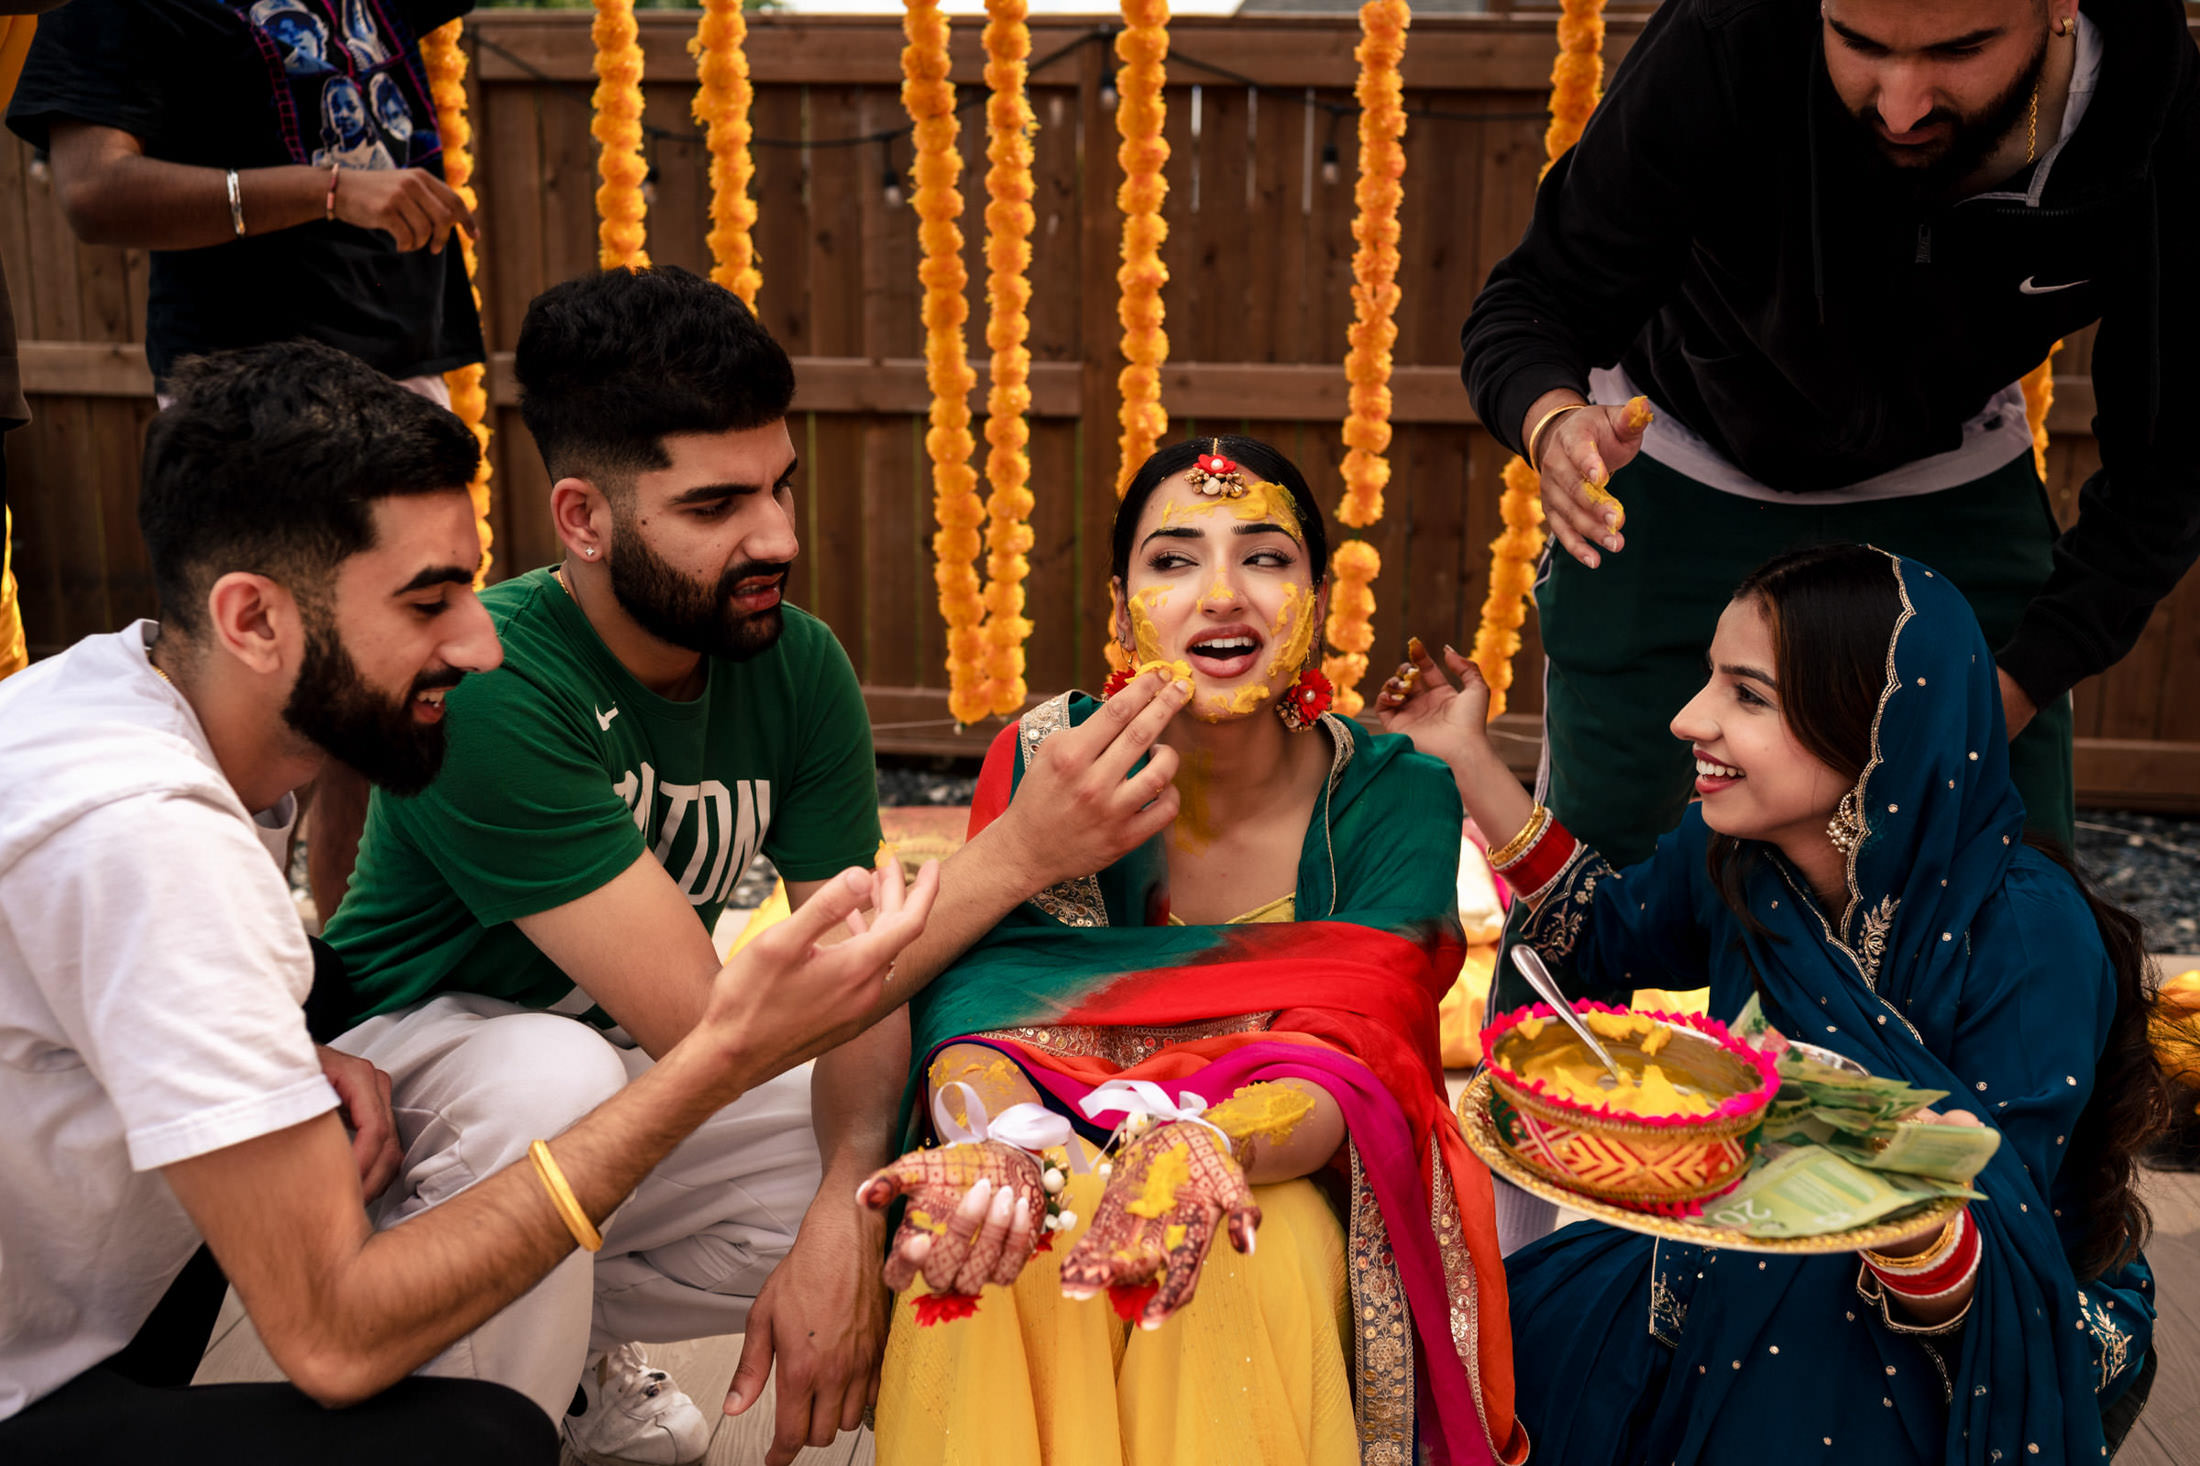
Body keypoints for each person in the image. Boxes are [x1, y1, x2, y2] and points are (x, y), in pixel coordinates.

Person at [0, 340, 936, 1463]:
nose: (480, 641)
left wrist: (290, 1053)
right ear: (252, 620)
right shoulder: (147, 835)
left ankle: (562, 1346)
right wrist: (720, 1052)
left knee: (883, 1158)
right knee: (480, 1437)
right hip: (44, 1384)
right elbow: (334, 1336)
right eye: (429, 601)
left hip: (131, 1311)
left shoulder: (129, 698)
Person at [320, 265, 1193, 1466]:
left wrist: (844, 1202)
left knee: (922, 1159)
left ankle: (561, 1351)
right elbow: (709, 1022)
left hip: (623, 1081)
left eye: (780, 485)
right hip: (393, 1110)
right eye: (716, 504)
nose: (775, 535)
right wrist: (1016, 855)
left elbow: (852, 975)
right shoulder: (495, 681)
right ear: (583, 518)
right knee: (549, 1072)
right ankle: (475, 1421)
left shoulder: (795, 664)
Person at [1374, 543, 2165, 1463]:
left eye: (1747, 695)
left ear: (1875, 727)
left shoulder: (2027, 933)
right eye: (1711, 678)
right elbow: (1595, 937)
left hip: (1981, 1319)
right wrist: (1466, 754)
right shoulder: (1743, 860)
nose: (1688, 718)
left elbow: (1998, 1257)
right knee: (1471, 1355)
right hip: (1754, 1254)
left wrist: (1880, 1203)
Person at [856, 435, 1526, 1466]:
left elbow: (1363, 1058)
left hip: (1288, 1172)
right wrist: (1008, 1144)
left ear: (1317, 600)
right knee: (991, 1235)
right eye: (1173, 560)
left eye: (1264, 557)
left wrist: (1208, 1143)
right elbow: (977, 1003)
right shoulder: (1049, 760)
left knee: (1226, 1241)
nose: (1222, 594)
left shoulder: (1395, 794)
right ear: (1121, 612)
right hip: (1056, 1140)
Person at [1459, 0, 2200, 896]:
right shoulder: (1726, 34)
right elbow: (1539, 295)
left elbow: (2173, 452)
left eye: (1960, 49)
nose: (1900, 106)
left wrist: (2019, 681)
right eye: (1859, 44)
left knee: (2011, 884)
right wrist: (1552, 420)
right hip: (1679, 448)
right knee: (1606, 874)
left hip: (1952, 470)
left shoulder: (2160, 105)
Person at [8, 0, 489, 915]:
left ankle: (341, 953)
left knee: (380, 693)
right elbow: (95, 191)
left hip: (396, 360)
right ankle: (229, 937)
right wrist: (330, 189)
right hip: (255, 393)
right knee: (263, 688)